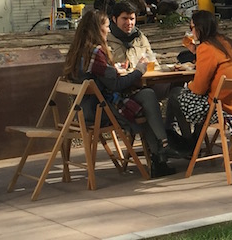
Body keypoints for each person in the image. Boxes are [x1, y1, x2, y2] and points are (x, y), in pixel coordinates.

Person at [63, 10, 178, 178]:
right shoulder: (96, 53)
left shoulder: (78, 52)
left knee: (146, 97)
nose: (109, 31)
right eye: (107, 27)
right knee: (145, 101)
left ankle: (161, 152)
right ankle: (162, 149)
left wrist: (115, 70)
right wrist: (139, 70)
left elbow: (103, 77)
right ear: (97, 29)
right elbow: (116, 85)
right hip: (98, 111)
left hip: (81, 111)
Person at [166, 11, 232, 146]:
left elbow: (199, 88)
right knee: (191, 96)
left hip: (222, 108)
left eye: (191, 28)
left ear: (199, 28)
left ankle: (188, 143)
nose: (191, 31)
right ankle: (191, 139)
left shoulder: (206, 47)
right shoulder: (226, 42)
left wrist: (189, 86)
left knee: (176, 94)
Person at [107, 0, 153, 67]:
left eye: (132, 19)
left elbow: (154, 64)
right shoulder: (105, 40)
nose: (129, 23)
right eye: (124, 19)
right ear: (114, 19)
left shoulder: (140, 39)